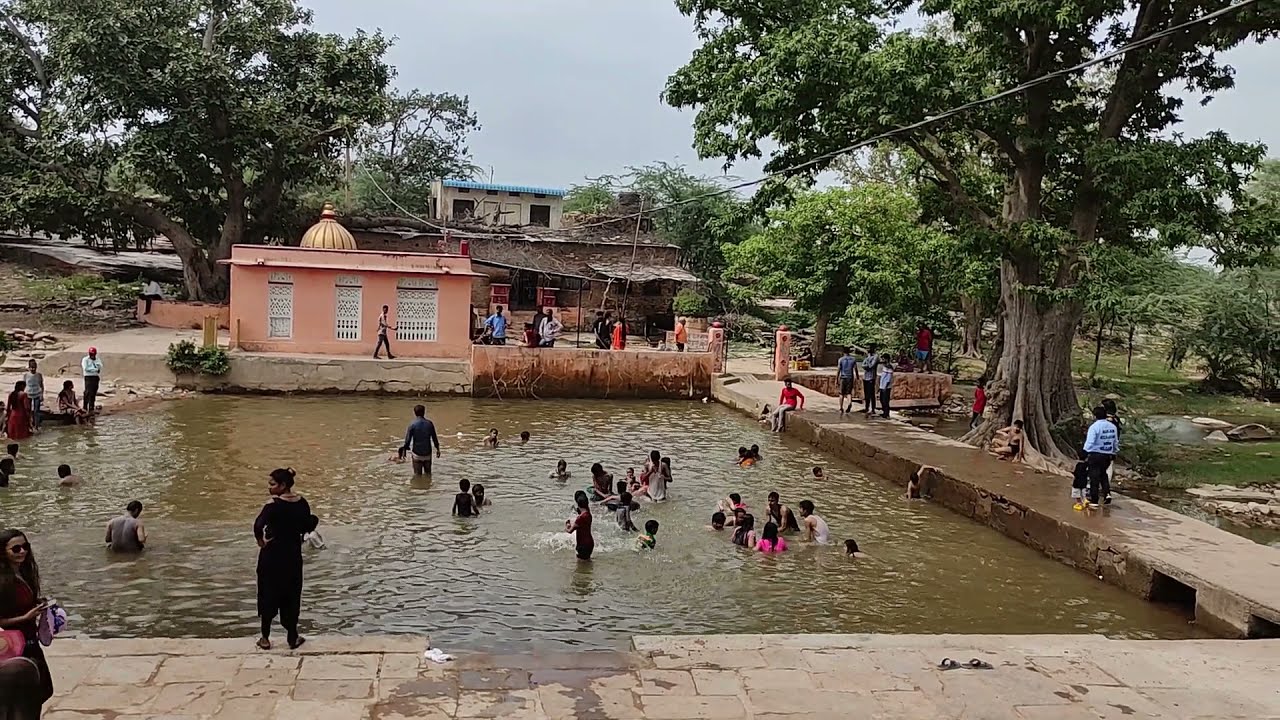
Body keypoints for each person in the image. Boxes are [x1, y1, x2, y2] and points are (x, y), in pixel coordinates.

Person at [253, 468, 318, 650]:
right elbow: (307, 525)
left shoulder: (272, 505)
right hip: (292, 557)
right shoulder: (302, 503)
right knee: (291, 594)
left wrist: (261, 542)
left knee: (267, 592)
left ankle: (265, 638)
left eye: (272, 484)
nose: (269, 487)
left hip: (271, 557)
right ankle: (292, 637)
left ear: (283, 485)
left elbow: (258, 525)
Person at [0, 529, 53, 707]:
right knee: (28, 694)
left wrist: (36, 603)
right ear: (3, 551)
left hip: (30, 637)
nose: (22, 551)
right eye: (16, 549)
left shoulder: (23, 573)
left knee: (44, 688)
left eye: (25, 546)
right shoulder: (2, 581)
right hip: (13, 643)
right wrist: (25, 616)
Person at [1083, 406, 1119, 507]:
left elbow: (1090, 442)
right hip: (1107, 455)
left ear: (1095, 416)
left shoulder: (1094, 427)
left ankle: (1094, 500)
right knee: (1103, 474)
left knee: (1094, 476)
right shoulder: (1112, 427)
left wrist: (1085, 452)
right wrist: (1114, 451)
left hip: (1095, 454)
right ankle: (1107, 493)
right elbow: (1115, 441)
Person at [398, 405, 441, 475]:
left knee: (417, 476)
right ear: (424, 412)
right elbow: (434, 438)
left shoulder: (412, 424)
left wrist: (404, 450)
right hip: (427, 453)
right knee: (428, 474)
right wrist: (438, 449)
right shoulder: (429, 424)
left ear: (414, 413)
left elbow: (407, 440)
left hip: (417, 454)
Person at [566, 494, 593, 560]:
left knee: (581, 565)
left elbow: (570, 531)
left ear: (578, 504)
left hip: (582, 544)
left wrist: (567, 525)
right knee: (587, 562)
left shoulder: (580, 518)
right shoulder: (588, 514)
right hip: (590, 543)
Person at [22, 361, 43, 434]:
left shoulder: (39, 375)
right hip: (28, 394)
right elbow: (24, 384)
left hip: (37, 393)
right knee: (28, 410)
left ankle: (36, 426)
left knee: (36, 410)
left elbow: (41, 384)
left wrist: (42, 394)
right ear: (29, 368)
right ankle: (29, 425)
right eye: (31, 368)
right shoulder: (26, 375)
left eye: (34, 368)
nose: (33, 369)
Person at [836, 346, 858, 415]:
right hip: (850, 377)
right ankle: (849, 403)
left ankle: (841, 408)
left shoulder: (841, 360)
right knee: (849, 393)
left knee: (841, 393)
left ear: (843, 352)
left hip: (843, 377)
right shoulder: (853, 359)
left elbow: (838, 370)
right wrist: (857, 377)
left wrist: (836, 379)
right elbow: (855, 369)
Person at [81, 347, 102, 414]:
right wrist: (95, 369)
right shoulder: (85, 360)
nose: (92, 356)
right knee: (87, 392)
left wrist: (96, 367)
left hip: (95, 377)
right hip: (88, 377)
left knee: (93, 392)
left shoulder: (97, 359)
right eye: (91, 354)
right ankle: (85, 407)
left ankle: (91, 407)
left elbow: (100, 366)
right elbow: (86, 368)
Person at [861, 345, 880, 415]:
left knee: (871, 394)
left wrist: (867, 361)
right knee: (866, 394)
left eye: (868, 348)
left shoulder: (875, 357)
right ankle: (866, 407)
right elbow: (863, 365)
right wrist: (867, 363)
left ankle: (873, 408)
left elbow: (871, 366)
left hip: (871, 377)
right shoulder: (867, 356)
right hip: (865, 377)